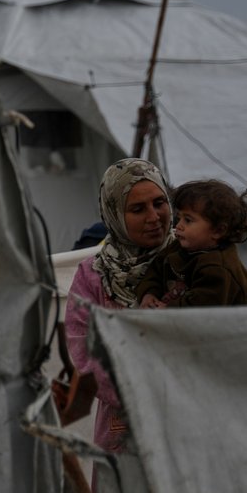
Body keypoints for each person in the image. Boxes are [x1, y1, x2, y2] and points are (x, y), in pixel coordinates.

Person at [64, 158, 173, 454]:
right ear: (114, 215)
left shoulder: (197, 259)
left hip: (190, 422)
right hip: (124, 428)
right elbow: (82, 352)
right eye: (138, 209)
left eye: (160, 203)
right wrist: (139, 389)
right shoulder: (94, 275)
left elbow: (240, 319)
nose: (154, 217)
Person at [135, 180, 247, 308]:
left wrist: (167, 310)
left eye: (188, 220)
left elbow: (201, 310)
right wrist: (149, 294)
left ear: (218, 230)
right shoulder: (179, 246)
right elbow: (156, 270)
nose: (179, 226)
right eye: (179, 218)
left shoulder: (218, 268)